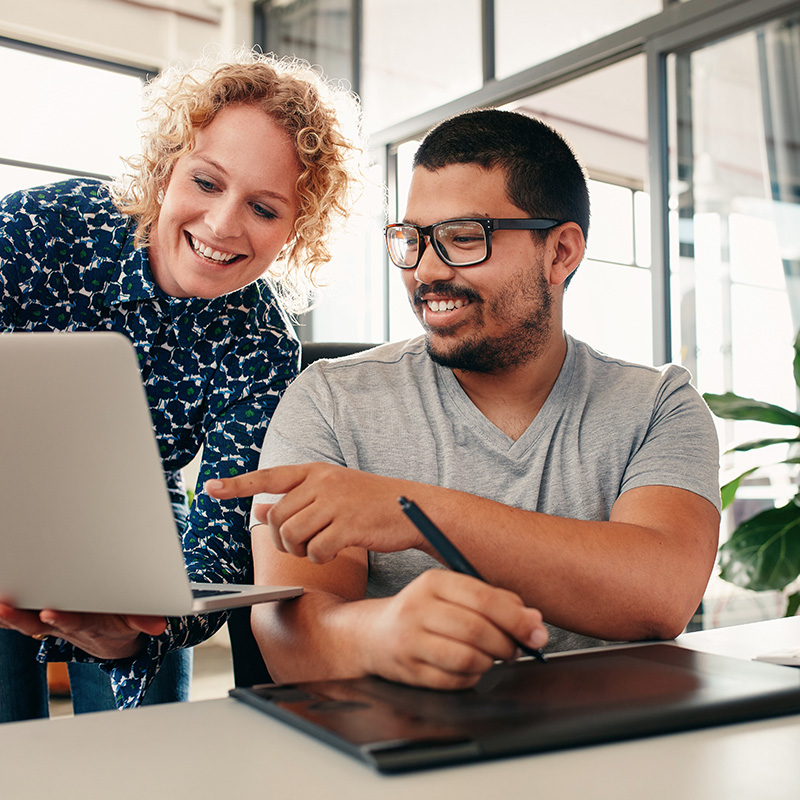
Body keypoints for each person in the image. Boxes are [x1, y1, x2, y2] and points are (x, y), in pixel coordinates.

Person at [205, 108, 722, 691]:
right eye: (412, 240)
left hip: (614, 735)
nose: (425, 270)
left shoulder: (659, 405)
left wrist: (414, 513)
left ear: (561, 252)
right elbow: (288, 639)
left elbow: (659, 594)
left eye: (463, 238)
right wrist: (380, 637)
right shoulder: (328, 399)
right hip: (400, 739)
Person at [0, 49, 362, 720]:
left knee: (143, 743)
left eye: (264, 208)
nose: (223, 225)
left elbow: (222, 539)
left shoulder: (263, 346)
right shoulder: (37, 230)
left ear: (296, 231)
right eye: (205, 181)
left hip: (136, 513)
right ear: (166, 169)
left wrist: (147, 626)